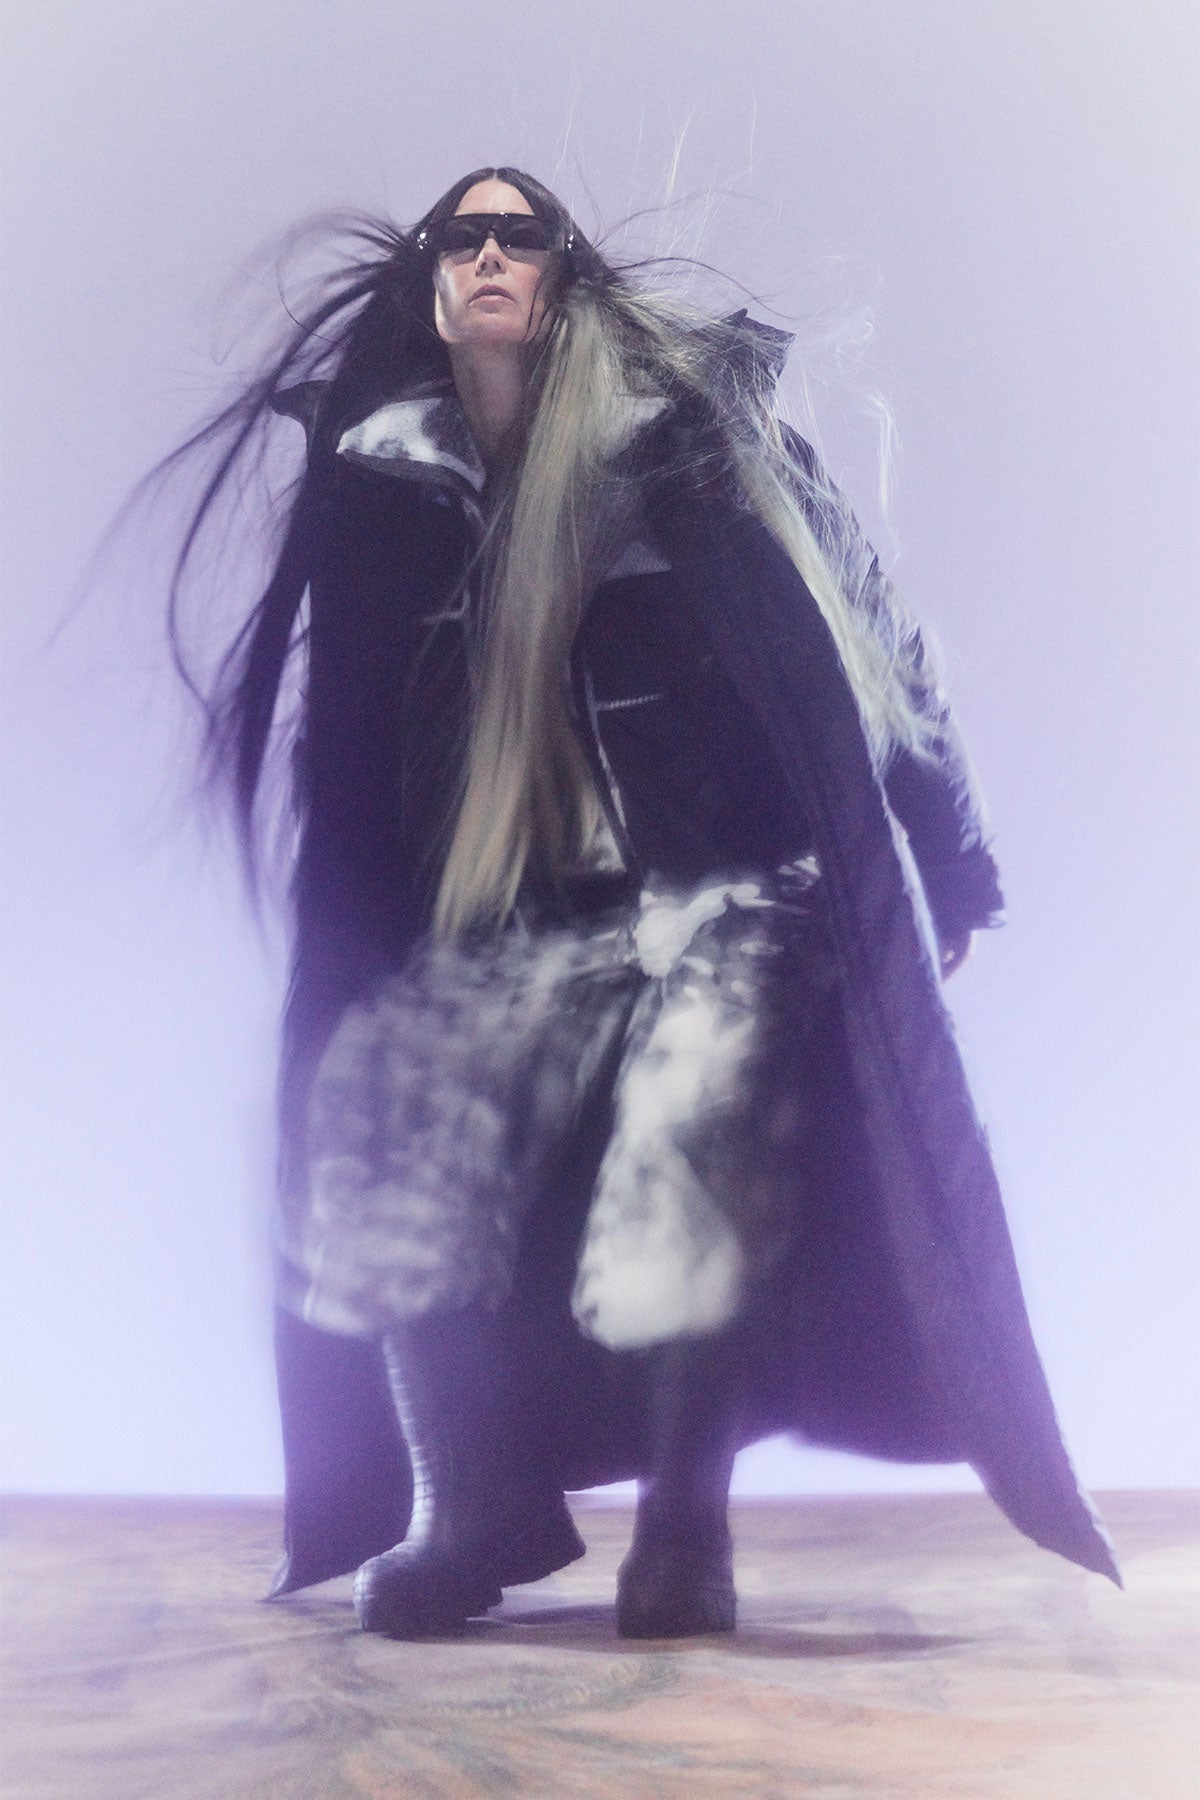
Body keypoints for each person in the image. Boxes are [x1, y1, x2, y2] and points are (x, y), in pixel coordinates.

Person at [160, 166, 1118, 1640]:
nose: (490, 255)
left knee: (689, 1143)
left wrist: (953, 854)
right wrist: (351, 939)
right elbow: (344, 739)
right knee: (379, 1128)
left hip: (726, 884)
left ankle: (685, 1530)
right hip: (510, 910)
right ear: (430, 279)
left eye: (520, 234)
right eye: (462, 237)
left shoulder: (687, 436)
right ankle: (473, 1504)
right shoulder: (384, 477)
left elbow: (874, 630)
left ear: (565, 271)